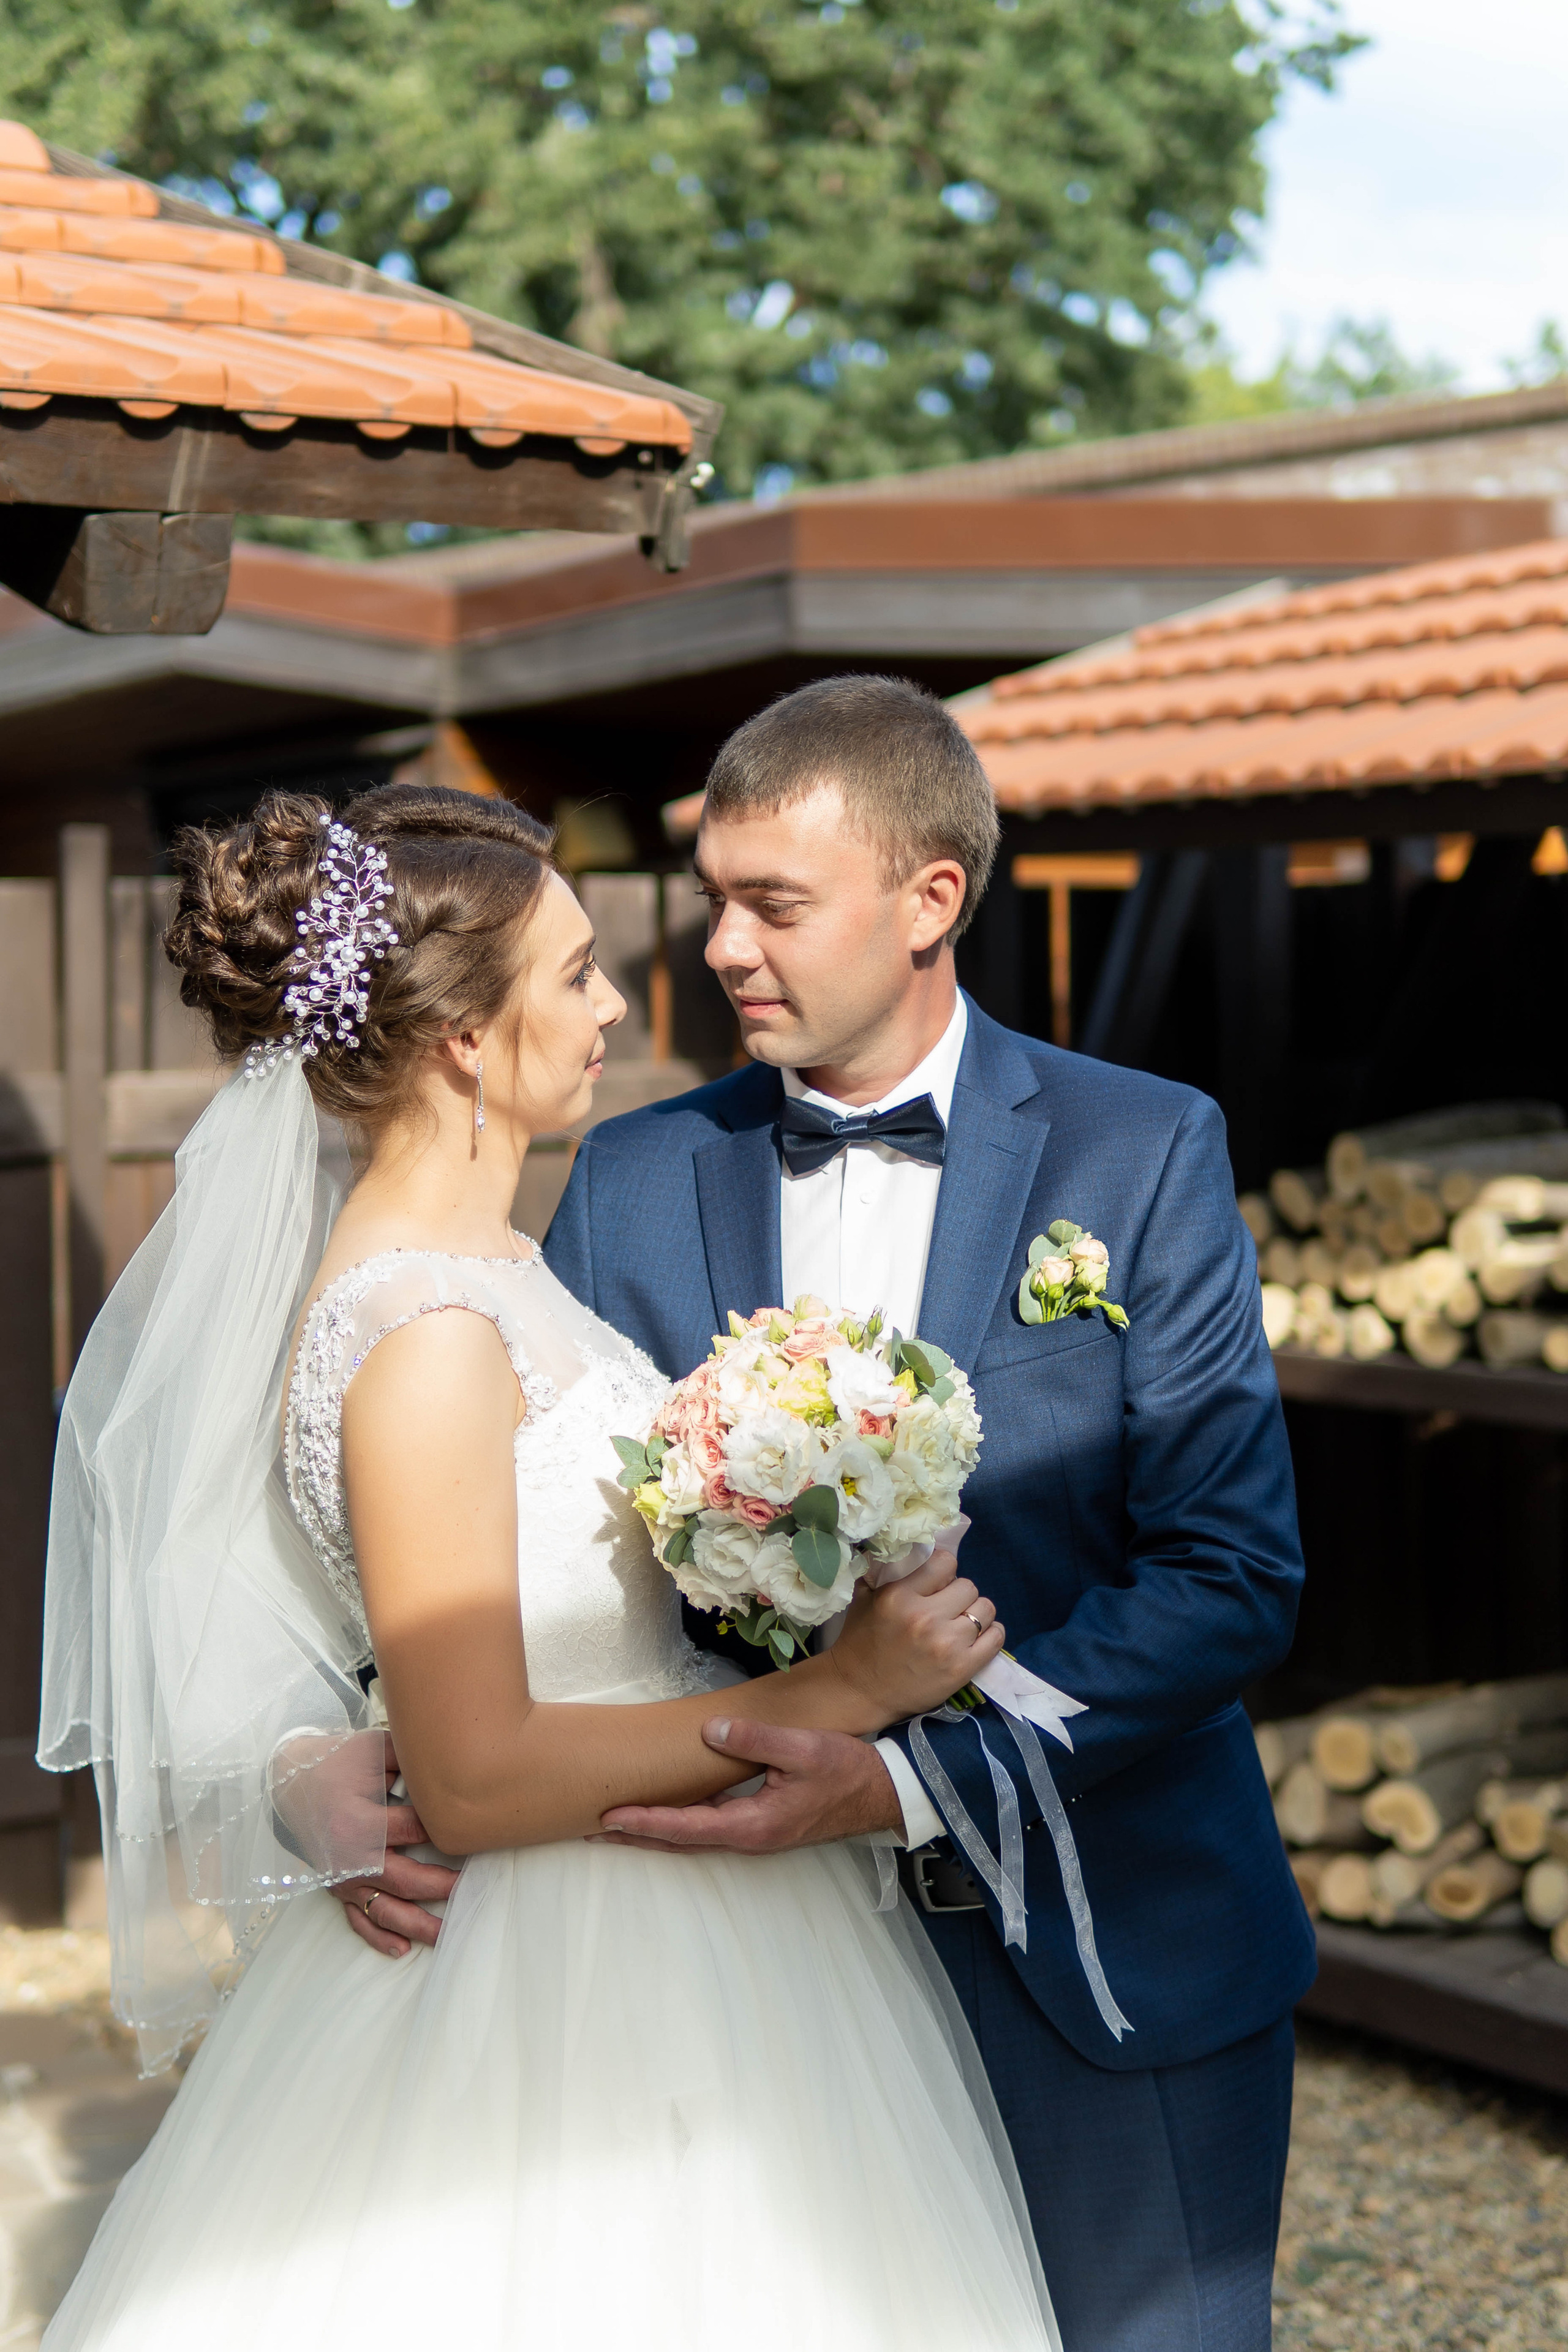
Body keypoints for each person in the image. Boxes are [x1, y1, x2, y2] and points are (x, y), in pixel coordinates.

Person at [37, 782, 1058, 2351]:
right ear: (461, 1038)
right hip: (555, 1964)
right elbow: (479, 1777)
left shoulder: (501, 1270)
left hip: (682, 1916)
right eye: (574, 973)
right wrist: (850, 1686)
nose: (612, 1004)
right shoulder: (426, 1336)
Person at [532, 676, 1317, 2351]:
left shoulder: (1144, 1151)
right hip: (748, 1981)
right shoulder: (627, 1180)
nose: (723, 948)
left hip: (1112, 1950)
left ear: (930, 900)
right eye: (713, 898)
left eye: (775, 905)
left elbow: (1233, 1574)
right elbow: (527, 1542)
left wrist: (908, 1780)